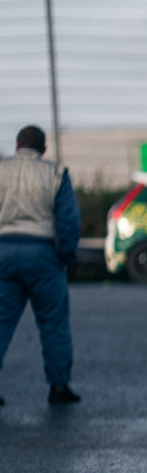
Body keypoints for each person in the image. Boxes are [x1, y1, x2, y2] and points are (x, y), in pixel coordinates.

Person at [0, 125, 81, 405]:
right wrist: (65, 254)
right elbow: (69, 220)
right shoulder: (56, 174)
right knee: (53, 323)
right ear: (43, 149)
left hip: (4, 253)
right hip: (43, 255)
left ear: (16, 145)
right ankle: (58, 388)